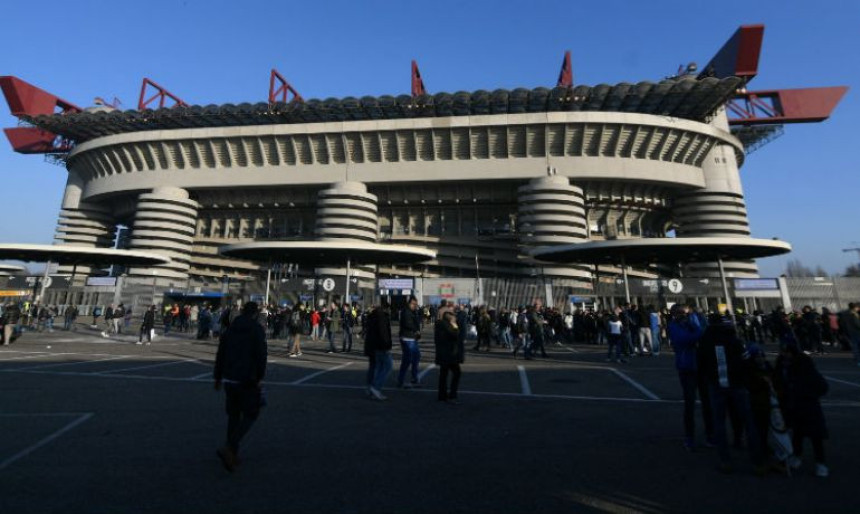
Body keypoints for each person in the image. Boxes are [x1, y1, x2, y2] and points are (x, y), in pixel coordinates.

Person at [698, 319, 764, 473]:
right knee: (748, 421)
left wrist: (708, 379)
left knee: (719, 423)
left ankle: (725, 460)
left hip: (717, 385)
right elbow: (747, 361)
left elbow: (700, 365)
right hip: (737, 384)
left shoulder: (706, 343)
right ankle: (757, 461)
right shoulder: (735, 342)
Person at [214, 301, 268, 472]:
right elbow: (261, 355)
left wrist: (218, 377)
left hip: (229, 378)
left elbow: (220, 354)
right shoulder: (256, 329)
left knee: (233, 415)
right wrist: (260, 376)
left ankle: (232, 455)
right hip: (247, 378)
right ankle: (230, 446)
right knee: (252, 413)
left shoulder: (230, 329)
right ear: (255, 314)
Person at [773, 336, 830, 477]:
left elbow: (822, 386)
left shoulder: (804, 365)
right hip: (791, 404)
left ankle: (820, 463)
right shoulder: (781, 364)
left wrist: (805, 392)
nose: (783, 354)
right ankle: (797, 456)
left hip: (807, 405)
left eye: (786, 351)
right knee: (797, 433)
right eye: (782, 351)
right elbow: (777, 381)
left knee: (815, 435)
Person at [667, 304, 712, 451]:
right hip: (687, 367)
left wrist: (698, 319)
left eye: (685, 313)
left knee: (708, 403)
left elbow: (708, 334)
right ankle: (689, 437)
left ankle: (710, 435)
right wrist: (696, 328)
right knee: (690, 404)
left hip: (703, 366)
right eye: (679, 313)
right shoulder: (674, 326)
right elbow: (685, 340)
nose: (682, 316)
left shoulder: (697, 321)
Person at [366, 300, 393, 401]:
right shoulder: (382, 317)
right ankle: (375, 387)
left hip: (372, 346)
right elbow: (383, 333)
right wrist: (387, 346)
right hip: (380, 346)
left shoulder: (373, 315)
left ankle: (370, 388)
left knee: (375, 367)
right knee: (387, 366)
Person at [435, 306, 463, 404]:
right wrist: (454, 325)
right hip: (450, 354)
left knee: (443, 374)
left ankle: (442, 396)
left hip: (442, 354)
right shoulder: (448, 326)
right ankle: (452, 395)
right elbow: (456, 335)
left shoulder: (439, 324)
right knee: (457, 372)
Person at [397, 296, 423, 388]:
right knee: (407, 359)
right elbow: (408, 324)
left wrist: (417, 331)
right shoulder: (406, 312)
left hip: (412, 338)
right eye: (413, 304)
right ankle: (401, 380)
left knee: (416, 356)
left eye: (416, 304)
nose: (415, 306)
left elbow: (416, 323)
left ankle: (414, 377)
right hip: (407, 337)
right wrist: (416, 330)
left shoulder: (413, 312)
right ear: (409, 303)